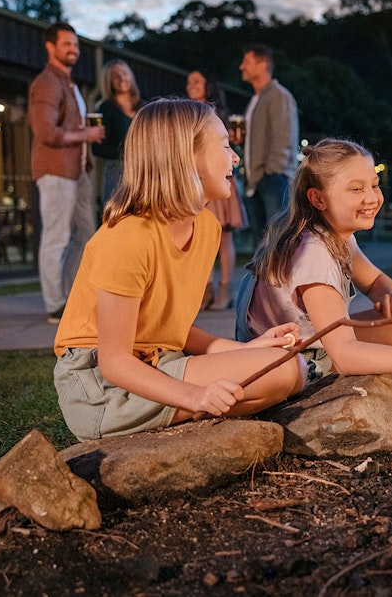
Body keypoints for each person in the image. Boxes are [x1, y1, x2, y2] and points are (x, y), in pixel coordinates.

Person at [53, 98, 305, 442]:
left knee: (286, 366)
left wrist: (248, 349)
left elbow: (169, 328)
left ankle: (171, 413)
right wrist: (195, 396)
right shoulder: (126, 239)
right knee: (285, 372)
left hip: (159, 360)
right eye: (224, 145)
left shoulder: (206, 227)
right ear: (185, 157)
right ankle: (159, 413)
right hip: (101, 382)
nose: (234, 158)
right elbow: (114, 360)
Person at [236, 138, 392, 382]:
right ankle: (327, 374)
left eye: (374, 185)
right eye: (356, 189)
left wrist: (389, 297)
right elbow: (344, 354)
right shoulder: (313, 253)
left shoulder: (334, 234)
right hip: (283, 359)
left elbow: (375, 280)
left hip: (313, 341)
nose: (372, 198)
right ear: (318, 199)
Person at [29, 21, 104, 324]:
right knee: (57, 237)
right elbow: (46, 132)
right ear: (51, 47)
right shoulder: (47, 83)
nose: (73, 49)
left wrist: (86, 134)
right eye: (67, 44)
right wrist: (85, 136)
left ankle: (75, 295)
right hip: (57, 171)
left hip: (79, 172)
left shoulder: (70, 84)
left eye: (76, 44)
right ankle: (54, 305)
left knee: (87, 236)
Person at [186, 69, 248, 310]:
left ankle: (224, 288)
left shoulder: (219, 115)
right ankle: (205, 287)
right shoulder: (185, 116)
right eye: (189, 81)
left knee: (222, 234)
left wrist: (234, 141)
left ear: (208, 86)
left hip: (219, 177)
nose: (191, 85)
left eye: (197, 81)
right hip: (195, 178)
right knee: (198, 233)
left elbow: (229, 150)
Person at [236, 43, 298, 246]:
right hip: (256, 180)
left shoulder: (278, 95)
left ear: (262, 65)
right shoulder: (257, 98)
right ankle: (262, 280)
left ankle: (282, 279)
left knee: (277, 242)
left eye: (246, 62)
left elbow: (283, 137)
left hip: (272, 179)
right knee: (261, 245)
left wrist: (271, 172)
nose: (241, 67)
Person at [92, 59, 141, 204]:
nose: (122, 78)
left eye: (124, 73)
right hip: (117, 173)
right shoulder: (103, 108)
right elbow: (97, 148)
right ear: (109, 82)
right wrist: (127, 154)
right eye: (115, 76)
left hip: (143, 172)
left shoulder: (144, 107)